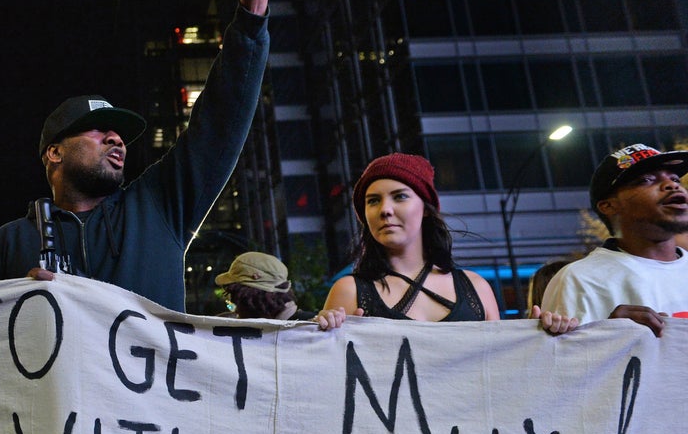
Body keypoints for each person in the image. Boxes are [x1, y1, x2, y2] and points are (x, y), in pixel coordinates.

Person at [0, 0, 272, 312]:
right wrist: (11, 306)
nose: (116, 138)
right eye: (96, 129)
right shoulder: (5, 247)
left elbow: (219, 122)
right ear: (54, 152)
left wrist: (253, 13)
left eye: (118, 132)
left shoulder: (160, 206)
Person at [317, 153, 577, 334]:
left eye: (400, 197)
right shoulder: (349, 292)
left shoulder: (476, 288)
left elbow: (499, 370)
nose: (385, 210)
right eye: (373, 201)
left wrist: (537, 337)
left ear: (426, 209)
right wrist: (324, 336)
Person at [540, 143, 688, 335]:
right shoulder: (580, 281)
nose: (672, 185)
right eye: (646, 180)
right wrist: (608, 335)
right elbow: (560, 360)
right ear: (608, 206)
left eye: (675, 178)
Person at [215, 251, 313, 320]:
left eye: (237, 301)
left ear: (249, 299)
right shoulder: (311, 326)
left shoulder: (316, 327)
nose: (236, 310)